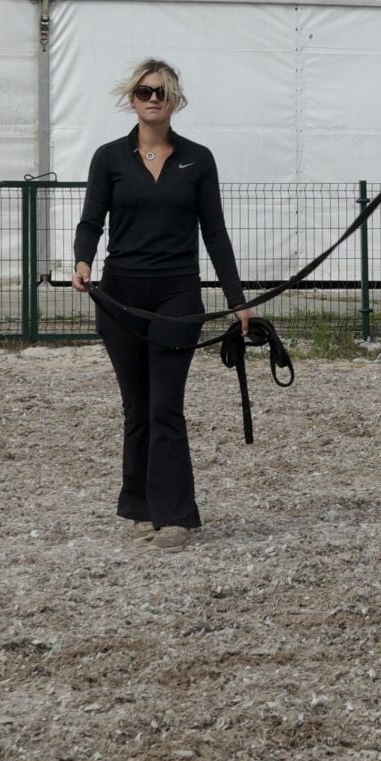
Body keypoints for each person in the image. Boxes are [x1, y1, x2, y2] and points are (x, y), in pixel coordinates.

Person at [73, 58, 254, 553]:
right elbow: (91, 220)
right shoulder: (109, 159)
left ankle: (176, 516)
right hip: (120, 295)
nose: (153, 99)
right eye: (145, 91)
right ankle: (139, 505)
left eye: (163, 92)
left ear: (175, 101)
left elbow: (214, 233)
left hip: (177, 294)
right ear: (131, 98)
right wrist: (83, 260)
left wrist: (238, 301)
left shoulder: (199, 159)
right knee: (137, 405)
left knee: (166, 405)